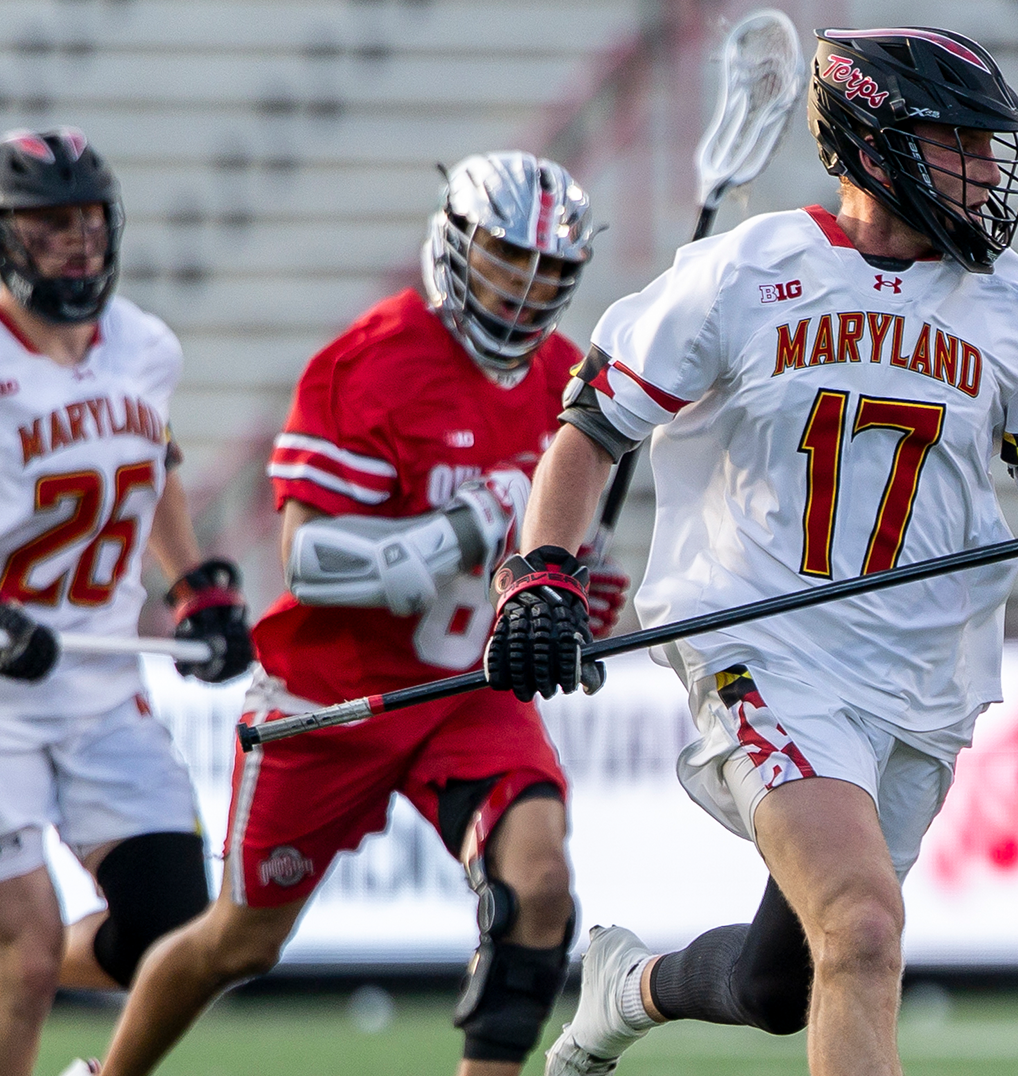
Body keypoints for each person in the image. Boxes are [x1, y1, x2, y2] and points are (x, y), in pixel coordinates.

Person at [490, 27, 1018, 1076]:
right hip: (765, 648)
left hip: (923, 675)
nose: (983, 170)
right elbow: (592, 430)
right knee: (865, 927)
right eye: (958, 141)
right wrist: (540, 579)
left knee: (786, 983)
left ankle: (626, 986)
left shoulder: (1008, 298)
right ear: (875, 143)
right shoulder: (746, 269)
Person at [86, 151, 627, 1076]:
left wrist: (572, 588)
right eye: (506, 259)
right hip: (333, 694)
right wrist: (463, 524)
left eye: (549, 273)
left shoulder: (563, 379)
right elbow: (311, 558)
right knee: (240, 942)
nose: (524, 291)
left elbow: (563, 536)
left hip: (468, 689)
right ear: (455, 249)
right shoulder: (369, 364)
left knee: (537, 887)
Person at [0, 126, 253, 1076]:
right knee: (28, 959)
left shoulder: (145, 346)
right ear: (1, 239)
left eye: (85, 221)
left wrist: (191, 584)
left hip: (98, 679)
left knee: (176, 931)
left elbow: (151, 463)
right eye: (47, 226)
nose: (75, 243)